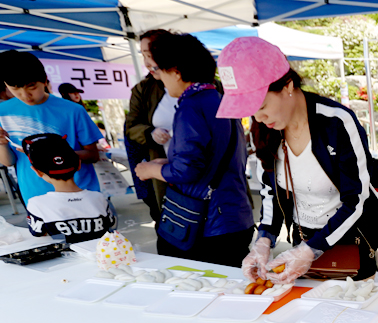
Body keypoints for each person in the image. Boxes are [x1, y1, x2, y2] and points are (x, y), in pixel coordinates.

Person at [216, 37, 378, 284]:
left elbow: (356, 199)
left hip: (352, 241)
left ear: (287, 85)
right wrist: (263, 241)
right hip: (303, 239)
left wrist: (311, 249)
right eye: (251, 111)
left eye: (262, 105)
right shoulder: (264, 129)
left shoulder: (337, 123)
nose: (259, 117)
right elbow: (270, 191)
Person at [134, 33, 254, 267]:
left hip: (208, 225)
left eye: (160, 70)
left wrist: (151, 170)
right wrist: (165, 164)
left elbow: (187, 171)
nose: (159, 77)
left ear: (176, 71)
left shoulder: (191, 106)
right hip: (236, 216)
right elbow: (214, 158)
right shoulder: (220, 99)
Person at [0, 50, 102, 204]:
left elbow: (93, 155)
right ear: (6, 86)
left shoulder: (73, 110)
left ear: (45, 80)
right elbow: (9, 161)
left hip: (81, 193)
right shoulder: (3, 112)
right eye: (15, 89)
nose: (25, 95)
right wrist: (1, 143)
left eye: (31, 87)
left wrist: (55, 155)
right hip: (37, 197)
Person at [22, 133, 116, 243]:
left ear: (37, 171)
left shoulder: (36, 204)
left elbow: (38, 234)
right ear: (79, 164)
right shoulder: (99, 198)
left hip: (65, 259)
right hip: (103, 256)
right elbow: (111, 226)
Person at [124, 29, 173, 222]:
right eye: (143, 55)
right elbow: (131, 127)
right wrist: (150, 133)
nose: (147, 62)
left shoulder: (206, 88)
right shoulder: (143, 90)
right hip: (163, 173)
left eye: (151, 54)